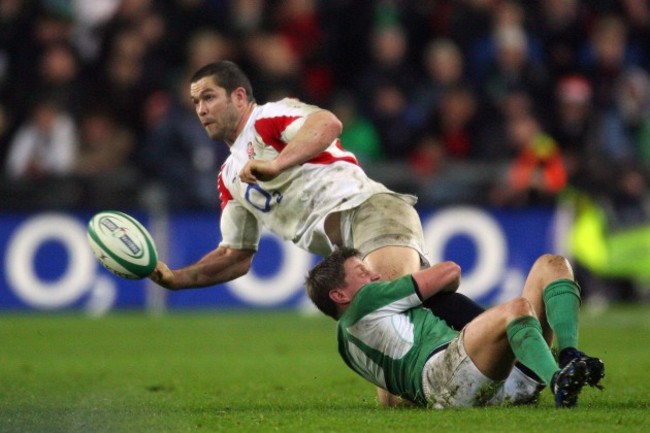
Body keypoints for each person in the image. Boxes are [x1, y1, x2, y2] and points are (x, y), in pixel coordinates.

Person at [148, 60, 486, 405]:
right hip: (349, 248)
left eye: (209, 97)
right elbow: (235, 256)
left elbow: (327, 122)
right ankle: (504, 339)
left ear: (238, 96)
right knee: (395, 391)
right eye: (195, 103)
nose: (202, 109)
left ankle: (508, 351)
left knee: (395, 323)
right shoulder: (229, 177)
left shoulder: (267, 118)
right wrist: (176, 278)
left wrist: (276, 163)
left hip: (369, 211)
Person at [305, 247, 605, 408]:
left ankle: (570, 357)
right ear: (340, 295)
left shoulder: (346, 344)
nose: (374, 276)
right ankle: (557, 379)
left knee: (551, 264)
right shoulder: (366, 300)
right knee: (515, 308)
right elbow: (449, 272)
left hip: (474, 381)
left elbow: (395, 385)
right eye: (362, 272)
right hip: (446, 374)